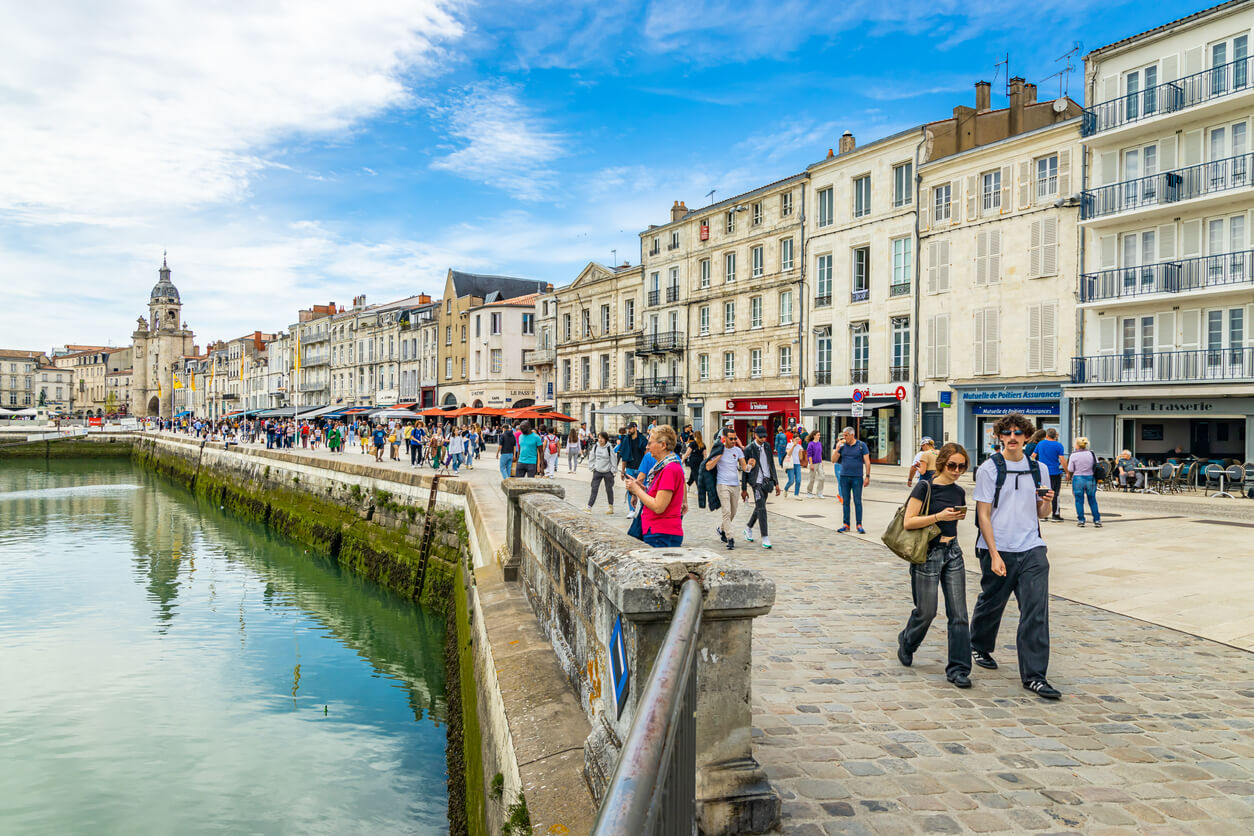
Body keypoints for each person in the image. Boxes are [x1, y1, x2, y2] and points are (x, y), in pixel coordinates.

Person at [969, 412, 1060, 701]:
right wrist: (994, 554)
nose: (1012, 438)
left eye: (1018, 433)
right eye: (1006, 433)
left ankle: (1035, 676)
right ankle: (979, 645)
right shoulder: (988, 469)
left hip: (1032, 547)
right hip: (998, 547)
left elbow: (1041, 514)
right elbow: (983, 514)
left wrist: (1047, 503)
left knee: (1035, 611)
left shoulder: (1039, 470)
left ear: (1027, 437)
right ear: (998, 436)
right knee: (992, 601)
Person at [897, 442, 973, 689]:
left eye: (962, 466)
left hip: (953, 554)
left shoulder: (959, 491)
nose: (957, 470)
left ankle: (959, 669)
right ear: (942, 463)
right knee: (926, 611)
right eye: (952, 465)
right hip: (928, 554)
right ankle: (908, 640)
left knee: (959, 614)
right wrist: (939, 517)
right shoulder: (925, 487)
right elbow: (909, 522)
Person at [623, 425, 686, 547]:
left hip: (661, 532)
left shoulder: (669, 469)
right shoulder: (664, 467)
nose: (647, 446)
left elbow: (659, 506)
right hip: (658, 531)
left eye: (650, 443)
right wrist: (642, 488)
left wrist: (637, 491)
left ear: (663, 445)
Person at [705, 426, 747, 550]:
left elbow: (744, 468)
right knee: (726, 512)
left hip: (735, 485)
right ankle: (730, 538)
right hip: (722, 484)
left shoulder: (738, 451)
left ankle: (722, 529)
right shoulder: (718, 449)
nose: (734, 441)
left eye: (735, 438)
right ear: (724, 438)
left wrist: (750, 465)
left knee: (733, 512)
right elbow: (708, 467)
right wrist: (718, 456)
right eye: (731, 439)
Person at [741, 426, 781, 548]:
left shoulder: (768, 447)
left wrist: (776, 482)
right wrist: (744, 489)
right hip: (756, 482)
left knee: (759, 507)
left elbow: (771, 465)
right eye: (761, 436)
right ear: (755, 435)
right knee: (762, 509)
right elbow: (744, 470)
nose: (763, 438)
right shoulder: (749, 449)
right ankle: (765, 537)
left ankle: (748, 527)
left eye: (765, 436)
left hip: (767, 482)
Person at [833, 427, 871, 533]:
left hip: (857, 477)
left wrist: (867, 476)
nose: (844, 437)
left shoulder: (861, 445)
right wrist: (837, 449)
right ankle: (846, 524)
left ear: (852, 435)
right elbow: (833, 460)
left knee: (857, 501)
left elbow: (867, 462)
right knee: (846, 501)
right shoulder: (842, 446)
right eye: (843, 435)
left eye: (846, 435)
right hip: (844, 476)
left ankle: (859, 524)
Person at [1066, 437, 1102, 528]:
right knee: (1092, 500)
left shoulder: (1073, 455)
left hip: (1078, 478)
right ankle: (1097, 520)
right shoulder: (1091, 454)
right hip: (1090, 478)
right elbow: (1096, 465)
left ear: (1077, 445)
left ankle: (1081, 520)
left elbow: (1070, 469)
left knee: (1079, 500)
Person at [1032, 428, 1067, 522]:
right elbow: (1062, 460)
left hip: (1042, 472)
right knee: (1055, 494)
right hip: (1054, 472)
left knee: (1043, 493)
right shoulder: (1059, 445)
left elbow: (1033, 456)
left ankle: (1044, 515)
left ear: (1047, 435)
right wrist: (1067, 472)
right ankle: (1055, 515)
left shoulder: (1040, 444)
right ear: (1055, 436)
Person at [616, 423, 648, 517]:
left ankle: (643, 509)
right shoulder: (626, 439)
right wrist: (622, 471)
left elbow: (646, 455)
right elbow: (624, 456)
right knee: (630, 489)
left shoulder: (642, 439)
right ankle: (632, 510)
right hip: (629, 468)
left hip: (640, 469)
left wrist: (646, 469)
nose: (628, 430)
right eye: (628, 429)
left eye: (630, 428)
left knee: (642, 489)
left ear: (635, 428)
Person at [586, 431, 617, 514]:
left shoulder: (609, 447)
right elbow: (592, 457)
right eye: (599, 438)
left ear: (606, 439)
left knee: (609, 489)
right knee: (594, 488)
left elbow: (613, 459)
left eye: (602, 438)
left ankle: (611, 507)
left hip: (607, 471)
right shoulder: (596, 446)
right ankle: (589, 507)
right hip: (597, 471)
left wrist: (613, 470)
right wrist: (592, 467)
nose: (600, 440)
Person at [781, 433, 803, 498]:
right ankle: (785, 489)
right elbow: (789, 454)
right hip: (790, 464)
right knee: (791, 481)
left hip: (797, 464)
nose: (797, 441)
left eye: (798, 439)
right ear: (793, 439)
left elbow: (801, 458)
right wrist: (793, 446)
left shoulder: (799, 446)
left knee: (798, 480)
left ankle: (796, 494)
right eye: (796, 439)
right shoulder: (789, 445)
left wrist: (800, 452)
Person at [805, 431, 825, 498]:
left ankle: (819, 493)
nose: (819, 436)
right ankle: (809, 492)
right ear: (814, 436)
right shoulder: (811, 444)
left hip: (819, 463)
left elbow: (820, 453)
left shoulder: (819, 443)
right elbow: (809, 455)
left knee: (822, 477)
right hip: (813, 463)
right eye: (818, 435)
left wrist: (822, 462)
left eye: (819, 435)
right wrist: (811, 464)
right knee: (812, 479)